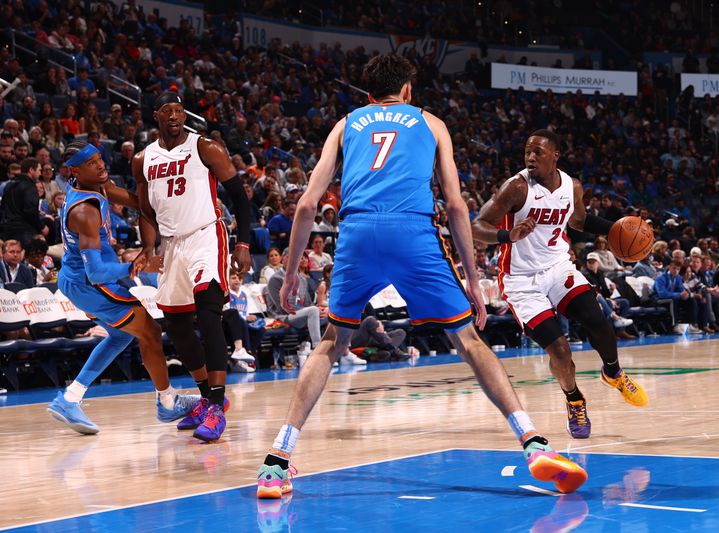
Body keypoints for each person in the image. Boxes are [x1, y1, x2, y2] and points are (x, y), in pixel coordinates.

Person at [257, 54, 587, 499]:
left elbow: (305, 205)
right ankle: (533, 443)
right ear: (408, 90)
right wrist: (473, 279)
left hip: (356, 233)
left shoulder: (345, 123)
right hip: (412, 231)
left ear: (370, 93)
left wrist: (295, 267)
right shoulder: (430, 123)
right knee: (468, 340)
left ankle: (277, 461)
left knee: (331, 344)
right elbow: (455, 206)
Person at [472, 129, 648, 441]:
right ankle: (575, 400)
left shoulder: (571, 186)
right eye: (527, 151)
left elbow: (578, 222)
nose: (530, 157)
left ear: (555, 155)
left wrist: (617, 229)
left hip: (557, 268)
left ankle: (613, 372)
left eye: (537, 152)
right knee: (560, 350)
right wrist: (506, 235)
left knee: (599, 322)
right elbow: (477, 227)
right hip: (521, 280)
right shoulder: (516, 187)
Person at [45, 142, 201, 434]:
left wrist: (172, 202)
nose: (101, 165)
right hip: (89, 282)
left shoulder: (98, 186)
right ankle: (168, 403)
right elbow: (96, 272)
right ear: (74, 171)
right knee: (150, 332)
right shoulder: (85, 212)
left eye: (100, 158)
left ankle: (69, 398)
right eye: (92, 163)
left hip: (82, 279)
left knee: (120, 336)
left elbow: (139, 202)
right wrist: (137, 265)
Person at [133, 92, 252, 442]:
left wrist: (242, 243)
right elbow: (145, 211)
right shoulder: (142, 159)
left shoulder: (206, 148)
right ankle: (205, 397)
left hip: (205, 235)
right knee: (177, 323)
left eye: (179, 110)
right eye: (167, 110)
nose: (174, 115)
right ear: (156, 115)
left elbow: (240, 198)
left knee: (208, 309)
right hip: (171, 244)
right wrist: (147, 247)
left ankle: (216, 405)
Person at [0, 158, 50, 245]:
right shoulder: (29, 187)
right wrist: (42, 227)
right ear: (31, 170)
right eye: (39, 170)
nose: (40, 173)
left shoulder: (9, 185)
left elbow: (3, 208)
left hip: (7, 229)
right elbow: (30, 211)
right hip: (24, 231)